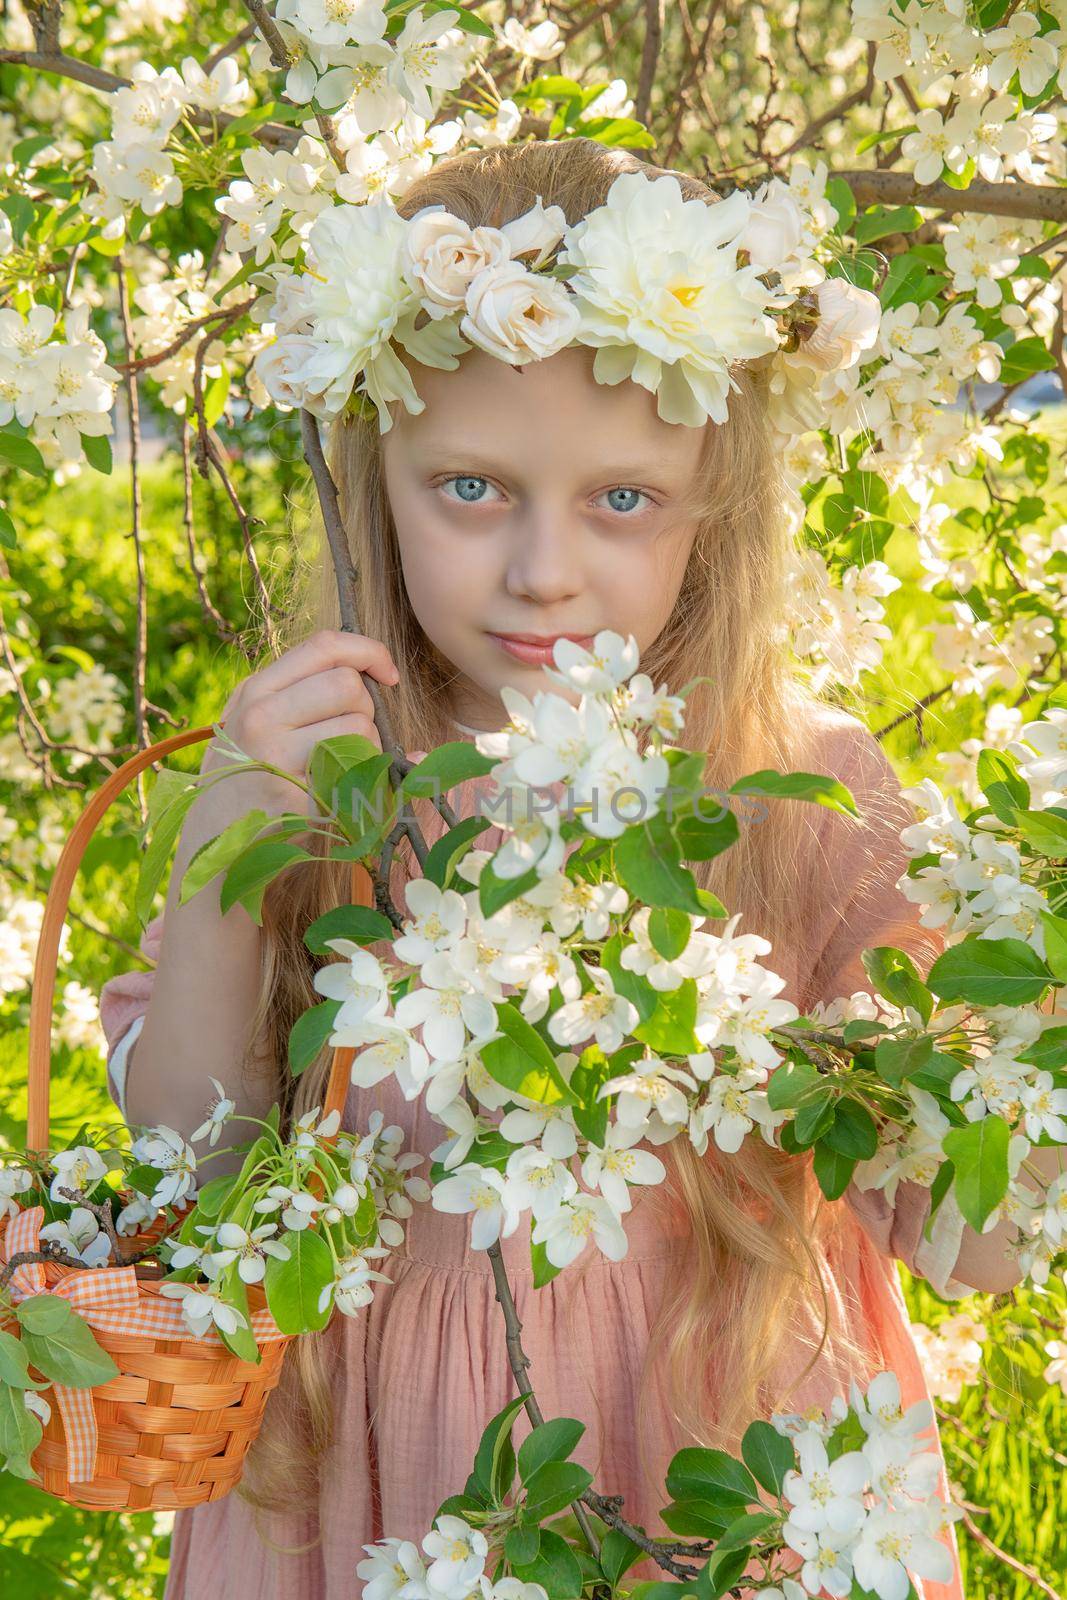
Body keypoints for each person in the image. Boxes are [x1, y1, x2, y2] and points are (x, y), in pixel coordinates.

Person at [99, 139, 1001, 1600]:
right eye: (469, 486)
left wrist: (1010, 1074)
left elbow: (976, 1251)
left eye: (623, 500)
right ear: (371, 473)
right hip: (379, 1484)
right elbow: (194, 1179)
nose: (542, 570)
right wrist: (220, 849)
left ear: (717, 494)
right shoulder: (317, 776)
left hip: (725, 1462)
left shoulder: (798, 793)